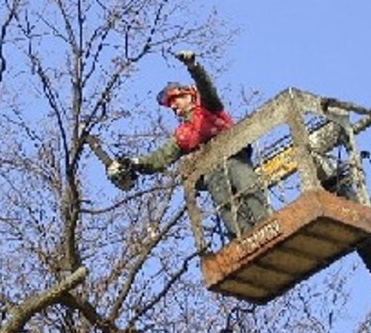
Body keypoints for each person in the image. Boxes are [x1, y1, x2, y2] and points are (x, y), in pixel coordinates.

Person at [107, 51, 267, 237]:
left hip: (234, 156)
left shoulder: (208, 108)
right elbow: (159, 158)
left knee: (247, 185)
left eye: (175, 100)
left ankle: (266, 223)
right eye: (170, 104)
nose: (173, 106)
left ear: (190, 96)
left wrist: (193, 67)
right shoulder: (183, 134)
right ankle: (244, 237)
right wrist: (133, 163)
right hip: (212, 170)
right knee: (223, 201)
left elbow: (207, 87)